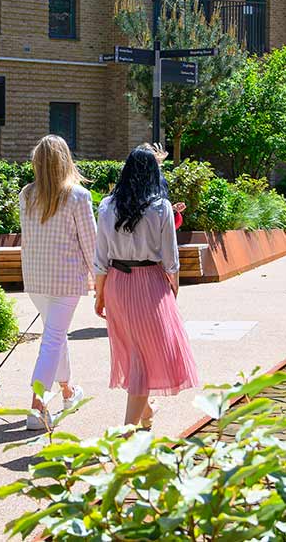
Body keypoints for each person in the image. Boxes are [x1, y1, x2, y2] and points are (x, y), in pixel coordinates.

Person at [94, 146, 201, 427]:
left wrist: (100, 294)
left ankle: (147, 412)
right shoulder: (161, 207)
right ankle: (127, 431)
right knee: (144, 354)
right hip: (150, 282)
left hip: (116, 283)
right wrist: (173, 289)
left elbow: (100, 258)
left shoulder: (106, 206)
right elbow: (171, 259)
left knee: (133, 351)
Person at [18, 135, 98, 431]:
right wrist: (101, 281)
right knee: (53, 338)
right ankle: (37, 408)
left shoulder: (26, 194)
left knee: (55, 335)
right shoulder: (78, 196)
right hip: (65, 280)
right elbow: (91, 244)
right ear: (66, 161)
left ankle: (67, 391)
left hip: (36, 279)